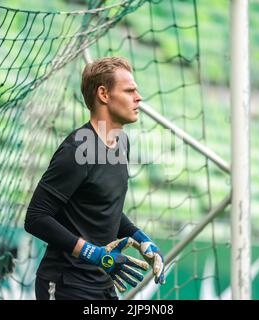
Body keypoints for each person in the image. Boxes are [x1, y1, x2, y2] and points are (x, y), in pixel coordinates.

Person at [24, 56, 166, 300]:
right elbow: (36, 218)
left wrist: (142, 239)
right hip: (64, 285)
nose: (138, 97)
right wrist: (94, 254)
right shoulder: (76, 149)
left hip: (102, 285)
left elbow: (103, 207)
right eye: (130, 90)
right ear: (104, 94)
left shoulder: (122, 142)